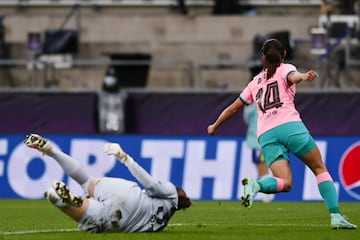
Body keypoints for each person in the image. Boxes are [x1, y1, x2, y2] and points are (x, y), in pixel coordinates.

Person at [207, 39, 357, 229]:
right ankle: (336, 216)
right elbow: (293, 76)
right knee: (320, 168)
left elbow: (232, 109)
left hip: (266, 135)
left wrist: (215, 125)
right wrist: (303, 76)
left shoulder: (254, 83)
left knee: (284, 183)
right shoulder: (284, 68)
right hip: (289, 126)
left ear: (263, 58)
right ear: (284, 55)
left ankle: (257, 186)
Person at [24, 133, 191, 233]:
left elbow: (152, 185)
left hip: (129, 195)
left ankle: (51, 151)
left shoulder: (170, 192)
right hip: (121, 222)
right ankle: (62, 200)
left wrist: (125, 159)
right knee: (84, 213)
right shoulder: (161, 224)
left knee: (86, 180)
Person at [243, 103, 273, 202]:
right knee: (261, 168)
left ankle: (267, 197)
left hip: (258, 141)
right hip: (263, 139)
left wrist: (249, 104)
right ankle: (267, 196)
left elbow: (246, 118)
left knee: (262, 169)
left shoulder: (254, 104)